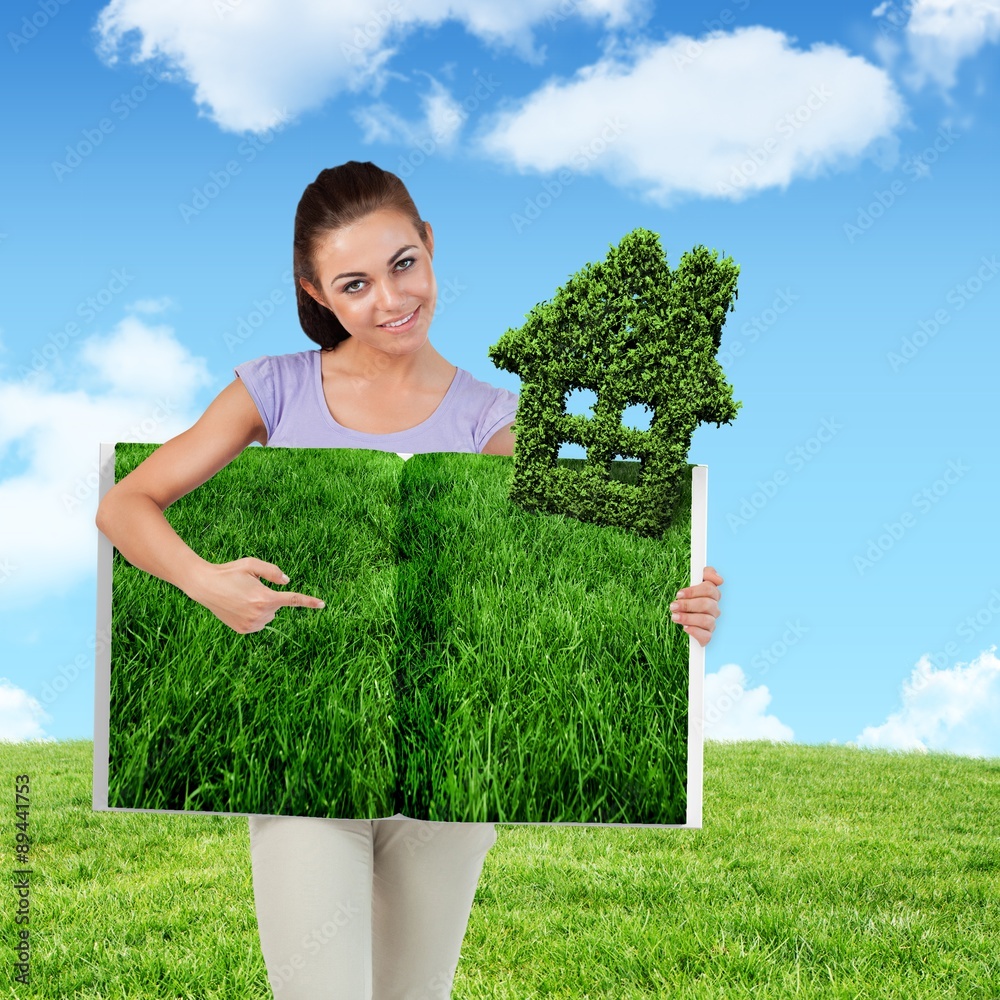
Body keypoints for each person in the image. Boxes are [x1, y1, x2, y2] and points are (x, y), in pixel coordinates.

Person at [95, 160, 724, 999]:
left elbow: (608, 541)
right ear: (317, 294)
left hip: (447, 782)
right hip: (306, 760)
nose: (390, 300)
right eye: (354, 284)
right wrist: (205, 581)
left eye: (403, 265)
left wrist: (683, 601)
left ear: (430, 247)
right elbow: (127, 504)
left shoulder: (491, 415)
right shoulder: (274, 389)